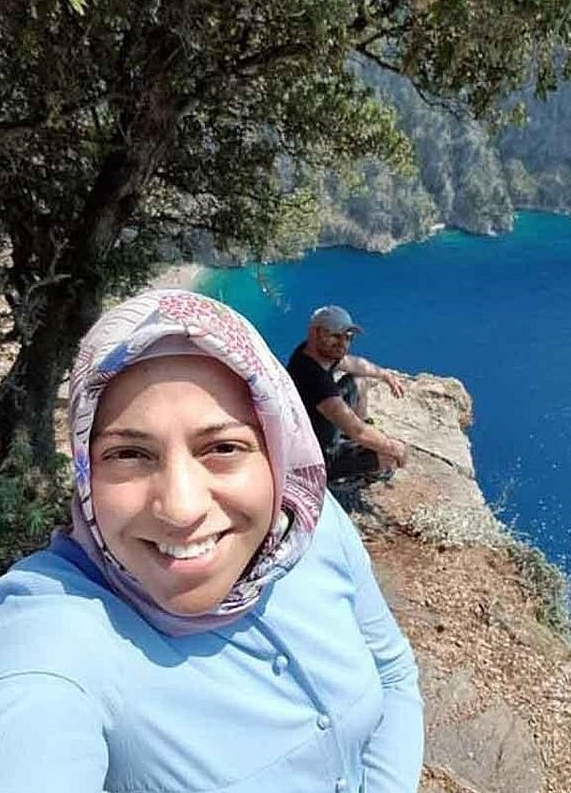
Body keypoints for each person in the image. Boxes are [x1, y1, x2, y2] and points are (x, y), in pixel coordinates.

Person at [0, 289, 423, 793]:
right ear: (86, 468)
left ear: (276, 452)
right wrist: (388, 445)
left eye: (223, 447)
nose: (181, 510)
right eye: (129, 454)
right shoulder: (57, 634)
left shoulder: (312, 527)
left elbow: (394, 674)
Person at [287, 305, 408, 482]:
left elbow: (353, 364)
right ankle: (368, 473)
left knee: (359, 380)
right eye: (335, 335)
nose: (343, 343)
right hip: (318, 457)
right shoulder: (314, 378)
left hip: (320, 427)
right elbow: (357, 430)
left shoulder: (312, 352)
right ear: (315, 332)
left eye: (348, 337)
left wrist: (385, 375)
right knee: (389, 455)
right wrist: (392, 446)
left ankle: (355, 442)